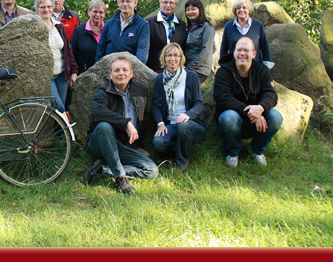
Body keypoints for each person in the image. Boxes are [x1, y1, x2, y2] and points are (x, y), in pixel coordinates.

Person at [82, 55, 159, 193]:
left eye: (125, 70)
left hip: (124, 146)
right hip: (100, 142)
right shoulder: (103, 91)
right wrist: (126, 123)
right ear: (111, 75)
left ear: (131, 73)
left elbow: (143, 120)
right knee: (104, 126)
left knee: (151, 171)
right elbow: (98, 112)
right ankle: (120, 178)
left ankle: (102, 169)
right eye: (117, 70)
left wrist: (139, 146)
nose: (121, 73)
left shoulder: (141, 90)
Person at [213, 36, 283, 168]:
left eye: (246, 50)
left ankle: (256, 150)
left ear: (254, 53)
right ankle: (233, 152)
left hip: (257, 120)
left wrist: (260, 108)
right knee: (228, 117)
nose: (242, 54)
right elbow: (223, 98)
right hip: (233, 121)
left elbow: (271, 94)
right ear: (234, 53)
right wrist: (251, 111)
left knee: (275, 117)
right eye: (239, 50)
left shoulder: (262, 70)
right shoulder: (223, 72)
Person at [152, 43, 205, 172]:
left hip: (191, 124)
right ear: (164, 58)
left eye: (176, 55)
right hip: (171, 124)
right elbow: (156, 105)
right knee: (158, 143)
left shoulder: (191, 77)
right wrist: (160, 124)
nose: (173, 59)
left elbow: (199, 103)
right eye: (169, 55)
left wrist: (188, 115)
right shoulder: (159, 79)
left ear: (181, 58)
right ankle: (181, 147)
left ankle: (181, 162)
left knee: (183, 125)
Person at [34, 0, 78, 114]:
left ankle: (58, 134)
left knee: (59, 109)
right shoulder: (34, 28)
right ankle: (63, 131)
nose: (46, 10)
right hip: (47, 76)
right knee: (59, 108)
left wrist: (73, 72)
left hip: (62, 75)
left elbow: (68, 50)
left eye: (49, 6)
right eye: (43, 7)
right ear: (37, 8)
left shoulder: (59, 26)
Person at [95, 0, 150, 64]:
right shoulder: (109, 23)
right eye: (122, 1)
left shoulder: (143, 25)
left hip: (130, 71)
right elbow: (100, 50)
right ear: (118, 3)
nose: (124, 4)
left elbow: (142, 54)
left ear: (135, 3)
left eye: (128, 1)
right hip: (109, 70)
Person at [220, 0, 271, 65]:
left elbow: (264, 47)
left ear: (249, 10)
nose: (241, 10)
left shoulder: (258, 25)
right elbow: (224, 48)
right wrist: (224, 66)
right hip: (234, 69)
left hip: (255, 69)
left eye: (244, 7)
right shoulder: (229, 26)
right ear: (235, 10)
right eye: (238, 8)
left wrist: (266, 66)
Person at [146, 0, 187, 73]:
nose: (168, 5)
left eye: (171, 2)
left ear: (175, 4)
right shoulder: (149, 23)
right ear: (160, 3)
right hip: (155, 72)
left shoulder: (182, 25)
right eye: (165, 2)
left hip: (177, 72)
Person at [70, 0, 107, 74]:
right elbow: (71, 55)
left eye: (101, 12)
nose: (98, 15)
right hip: (84, 75)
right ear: (89, 12)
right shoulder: (79, 31)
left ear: (104, 14)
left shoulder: (109, 30)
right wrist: (73, 73)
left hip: (106, 75)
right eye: (95, 11)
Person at [184, 0, 215, 84]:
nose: (190, 12)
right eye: (187, 10)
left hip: (199, 69)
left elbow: (206, 50)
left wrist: (190, 68)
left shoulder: (207, 27)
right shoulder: (187, 28)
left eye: (193, 9)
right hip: (187, 68)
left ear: (200, 10)